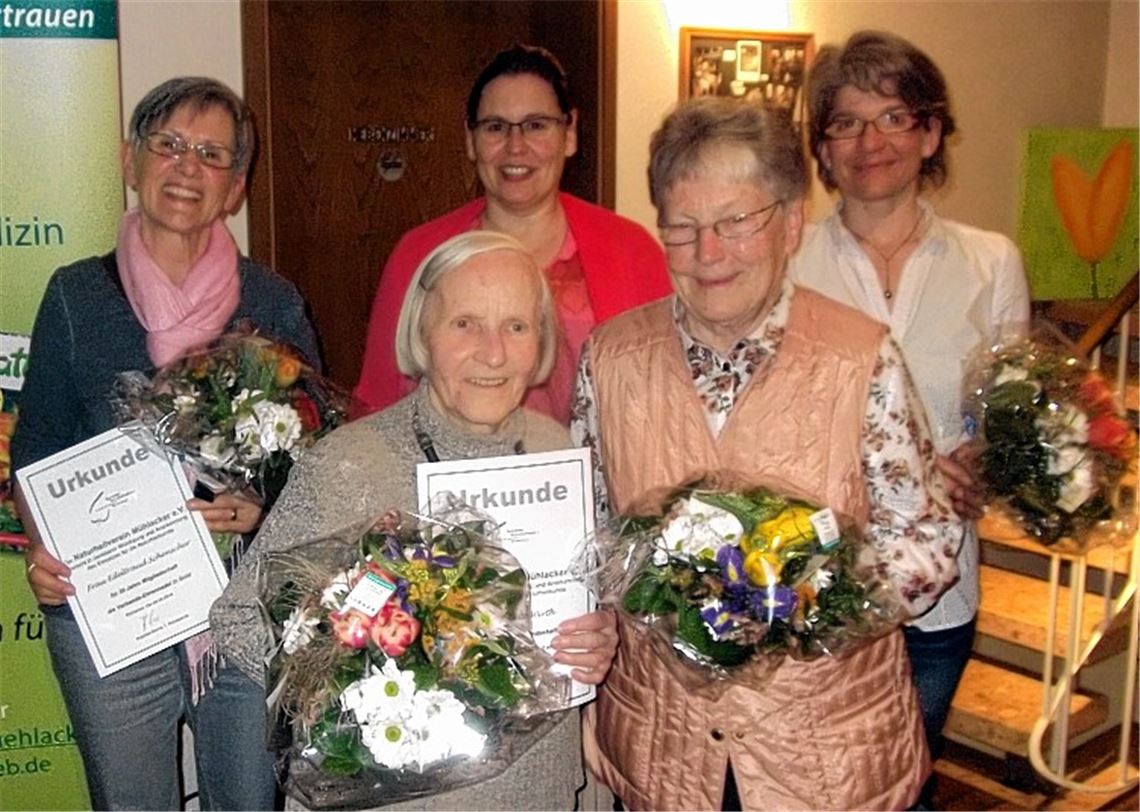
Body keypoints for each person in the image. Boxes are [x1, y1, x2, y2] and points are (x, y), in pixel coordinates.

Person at [571, 98, 965, 810]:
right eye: (683, 229)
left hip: (826, 758)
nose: (708, 253)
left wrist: (800, 605)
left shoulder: (861, 357)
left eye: (734, 223)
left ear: (788, 222)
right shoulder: (610, 359)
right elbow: (587, 537)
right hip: (663, 749)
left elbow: (929, 541)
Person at [212, 231, 619, 810]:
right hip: (396, 799)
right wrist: (352, 669)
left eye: (517, 327)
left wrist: (596, 637)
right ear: (422, 333)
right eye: (465, 324)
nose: (494, 353)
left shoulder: (556, 448)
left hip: (535, 791)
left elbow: (580, 605)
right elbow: (237, 621)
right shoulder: (350, 464)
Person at [12, 76, 319, 811]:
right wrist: (39, 549)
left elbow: (318, 453)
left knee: (249, 802)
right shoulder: (75, 295)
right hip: (110, 610)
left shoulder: (270, 302)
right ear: (130, 161)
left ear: (236, 186)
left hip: (244, 616)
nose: (187, 167)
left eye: (212, 155)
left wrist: (260, 508)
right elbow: (37, 447)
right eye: (169, 144)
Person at [789, 31, 1030, 791]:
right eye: (845, 123)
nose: (870, 142)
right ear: (822, 151)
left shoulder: (992, 261)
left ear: (930, 133)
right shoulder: (785, 261)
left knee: (903, 779)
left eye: (893, 117)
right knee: (815, 785)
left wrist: (991, 458)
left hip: (941, 583)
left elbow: (1012, 410)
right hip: (815, 580)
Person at [354, 44, 671, 425]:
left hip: (606, 482)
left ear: (569, 134)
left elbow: (669, 397)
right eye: (495, 127)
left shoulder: (631, 251)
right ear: (471, 141)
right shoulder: (419, 254)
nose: (515, 147)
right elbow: (377, 406)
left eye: (536, 125)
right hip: (453, 479)